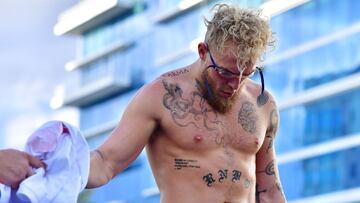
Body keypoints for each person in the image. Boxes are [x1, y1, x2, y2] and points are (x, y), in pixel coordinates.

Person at [87, 4, 286, 203]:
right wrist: (61, 162)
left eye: (246, 74)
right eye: (225, 73)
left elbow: (270, 191)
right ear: (202, 51)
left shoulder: (263, 103)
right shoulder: (159, 95)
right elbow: (105, 163)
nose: (235, 85)